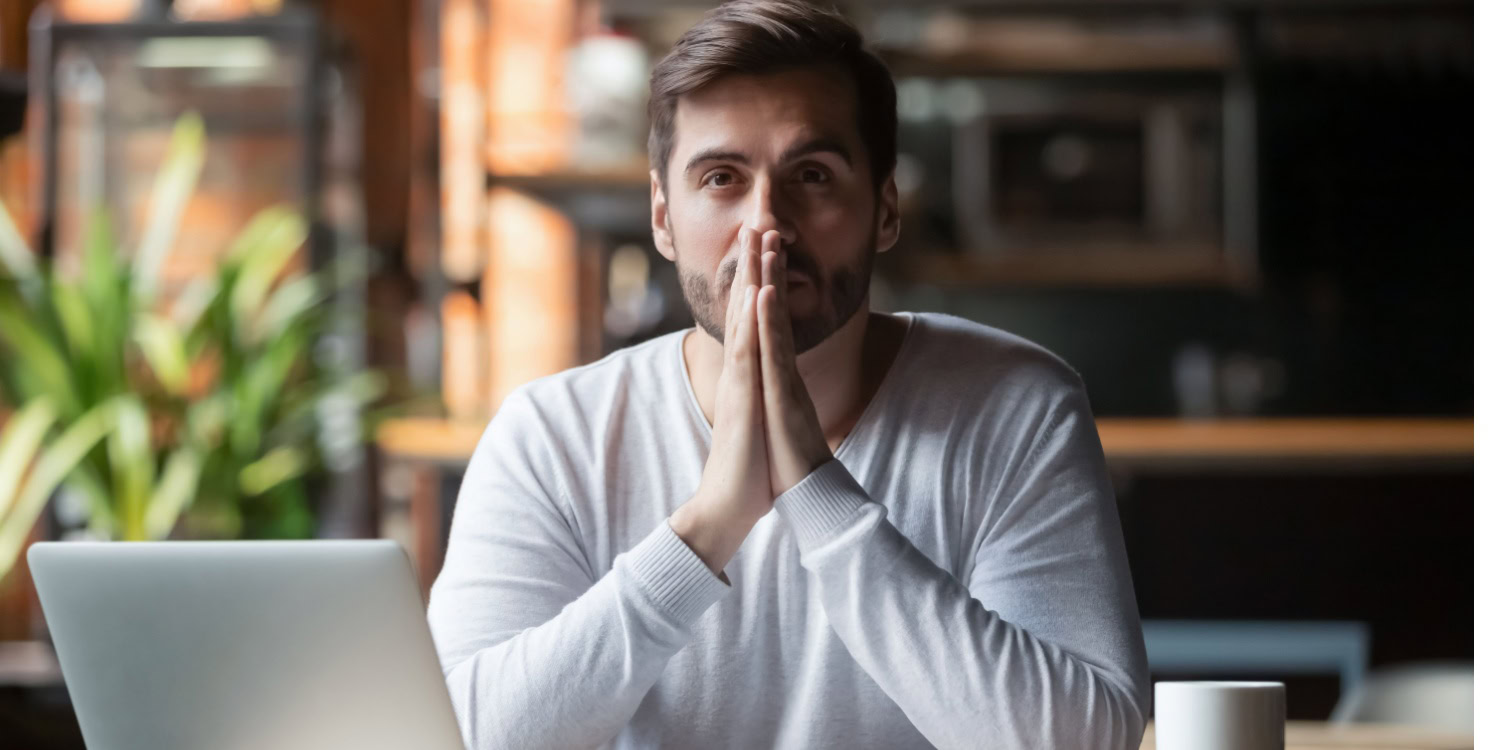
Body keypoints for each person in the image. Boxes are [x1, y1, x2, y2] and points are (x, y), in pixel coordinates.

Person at [426, 1, 1149, 747]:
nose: (766, 221)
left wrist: (816, 492)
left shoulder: (1016, 406)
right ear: (663, 218)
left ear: (886, 208)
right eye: (720, 178)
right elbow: (466, 736)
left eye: (812, 174)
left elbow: (1085, 740)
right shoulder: (552, 436)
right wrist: (709, 524)